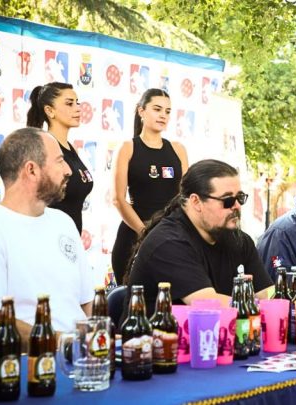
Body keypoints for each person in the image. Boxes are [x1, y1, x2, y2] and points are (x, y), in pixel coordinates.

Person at [0, 127, 94, 342]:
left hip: (81, 360)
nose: (68, 171)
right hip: (32, 364)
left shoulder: (64, 222)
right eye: (60, 161)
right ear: (31, 170)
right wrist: (63, 343)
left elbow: (85, 302)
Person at [126, 159, 271, 313]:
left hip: (218, 334)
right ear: (196, 202)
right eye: (228, 200)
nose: (237, 206)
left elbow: (268, 295)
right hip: (156, 336)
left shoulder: (239, 240)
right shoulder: (169, 243)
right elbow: (209, 305)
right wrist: (260, 306)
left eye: (240, 198)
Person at [112, 88, 189, 284]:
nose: (163, 115)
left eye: (168, 111)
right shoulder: (127, 148)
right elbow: (118, 199)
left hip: (171, 237)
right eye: (157, 109)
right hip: (133, 237)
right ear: (141, 111)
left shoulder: (178, 149)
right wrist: (145, 232)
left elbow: (186, 196)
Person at [27, 82, 93, 234]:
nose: (77, 108)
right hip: (49, 237)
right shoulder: (42, 147)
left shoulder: (72, 149)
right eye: (69, 104)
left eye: (77, 103)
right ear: (50, 111)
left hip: (72, 239)